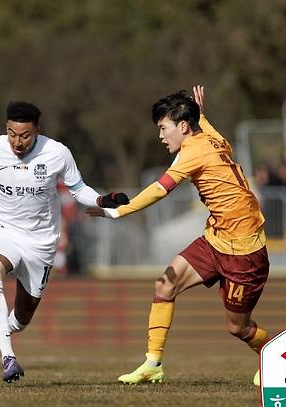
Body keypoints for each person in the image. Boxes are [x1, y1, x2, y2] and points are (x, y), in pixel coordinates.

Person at [0, 102, 129, 382]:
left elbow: (78, 190)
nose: (17, 142)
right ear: (6, 128)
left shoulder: (57, 153)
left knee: (22, 317)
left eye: (25, 135)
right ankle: (8, 358)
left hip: (41, 242)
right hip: (2, 231)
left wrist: (103, 200)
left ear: (37, 131)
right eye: (12, 134)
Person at [87, 86, 270, 386]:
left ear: (183, 126)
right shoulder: (210, 136)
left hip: (244, 251)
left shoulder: (192, 152)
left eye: (163, 128)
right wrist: (201, 111)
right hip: (216, 239)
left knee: (238, 328)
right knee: (165, 283)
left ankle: (275, 355)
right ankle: (152, 364)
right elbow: (203, 126)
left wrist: (119, 212)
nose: (160, 136)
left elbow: (160, 189)